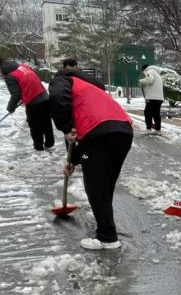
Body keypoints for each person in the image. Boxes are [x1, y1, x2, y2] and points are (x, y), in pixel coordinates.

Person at [48, 63, 134, 250]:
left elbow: (57, 99)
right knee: (105, 184)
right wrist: (72, 161)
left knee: (96, 187)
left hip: (99, 134)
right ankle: (107, 226)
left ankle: (107, 237)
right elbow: (77, 135)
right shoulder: (91, 87)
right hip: (123, 131)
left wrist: (65, 126)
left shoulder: (63, 80)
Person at [0, 58, 54, 151]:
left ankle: (38, 147)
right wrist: (24, 94)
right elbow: (29, 79)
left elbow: (15, 94)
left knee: (35, 125)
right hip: (44, 96)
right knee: (46, 122)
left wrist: (10, 108)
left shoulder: (10, 76)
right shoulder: (22, 66)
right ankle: (50, 144)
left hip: (33, 102)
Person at [139, 64, 165, 134]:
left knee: (148, 113)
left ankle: (148, 129)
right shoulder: (157, 74)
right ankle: (157, 129)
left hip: (152, 97)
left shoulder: (150, 71)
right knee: (156, 114)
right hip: (159, 98)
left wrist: (141, 81)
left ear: (144, 69)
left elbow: (149, 80)